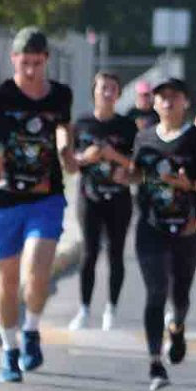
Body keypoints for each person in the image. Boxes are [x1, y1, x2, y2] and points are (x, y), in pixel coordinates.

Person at [0, 28, 76, 382]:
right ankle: (9, 352)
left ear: (47, 62)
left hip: (46, 197)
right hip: (5, 200)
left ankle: (32, 330)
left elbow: (65, 128)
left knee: (37, 272)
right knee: (7, 281)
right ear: (13, 60)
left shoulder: (60, 95)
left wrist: (66, 149)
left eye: (37, 63)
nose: (30, 71)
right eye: (24, 63)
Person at [131, 79, 196, 391]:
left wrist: (190, 186)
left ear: (186, 102)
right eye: (162, 98)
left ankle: (178, 326)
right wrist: (121, 173)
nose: (168, 102)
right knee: (155, 291)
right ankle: (156, 363)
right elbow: (135, 173)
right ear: (154, 104)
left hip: (188, 227)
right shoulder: (142, 138)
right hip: (151, 225)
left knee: (179, 294)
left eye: (174, 97)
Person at [69, 72, 138, 332]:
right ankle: (84, 309)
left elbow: (138, 166)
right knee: (89, 253)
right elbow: (71, 162)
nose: (107, 93)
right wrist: (86, 157)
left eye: (112, 89)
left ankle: (111, 308)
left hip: (119, 198)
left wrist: (114, 157)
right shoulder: (83, 123)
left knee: (116, 253)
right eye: (102, 88)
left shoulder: (127, 127)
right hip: (90, 196)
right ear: (94, 92)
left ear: (118, 94)